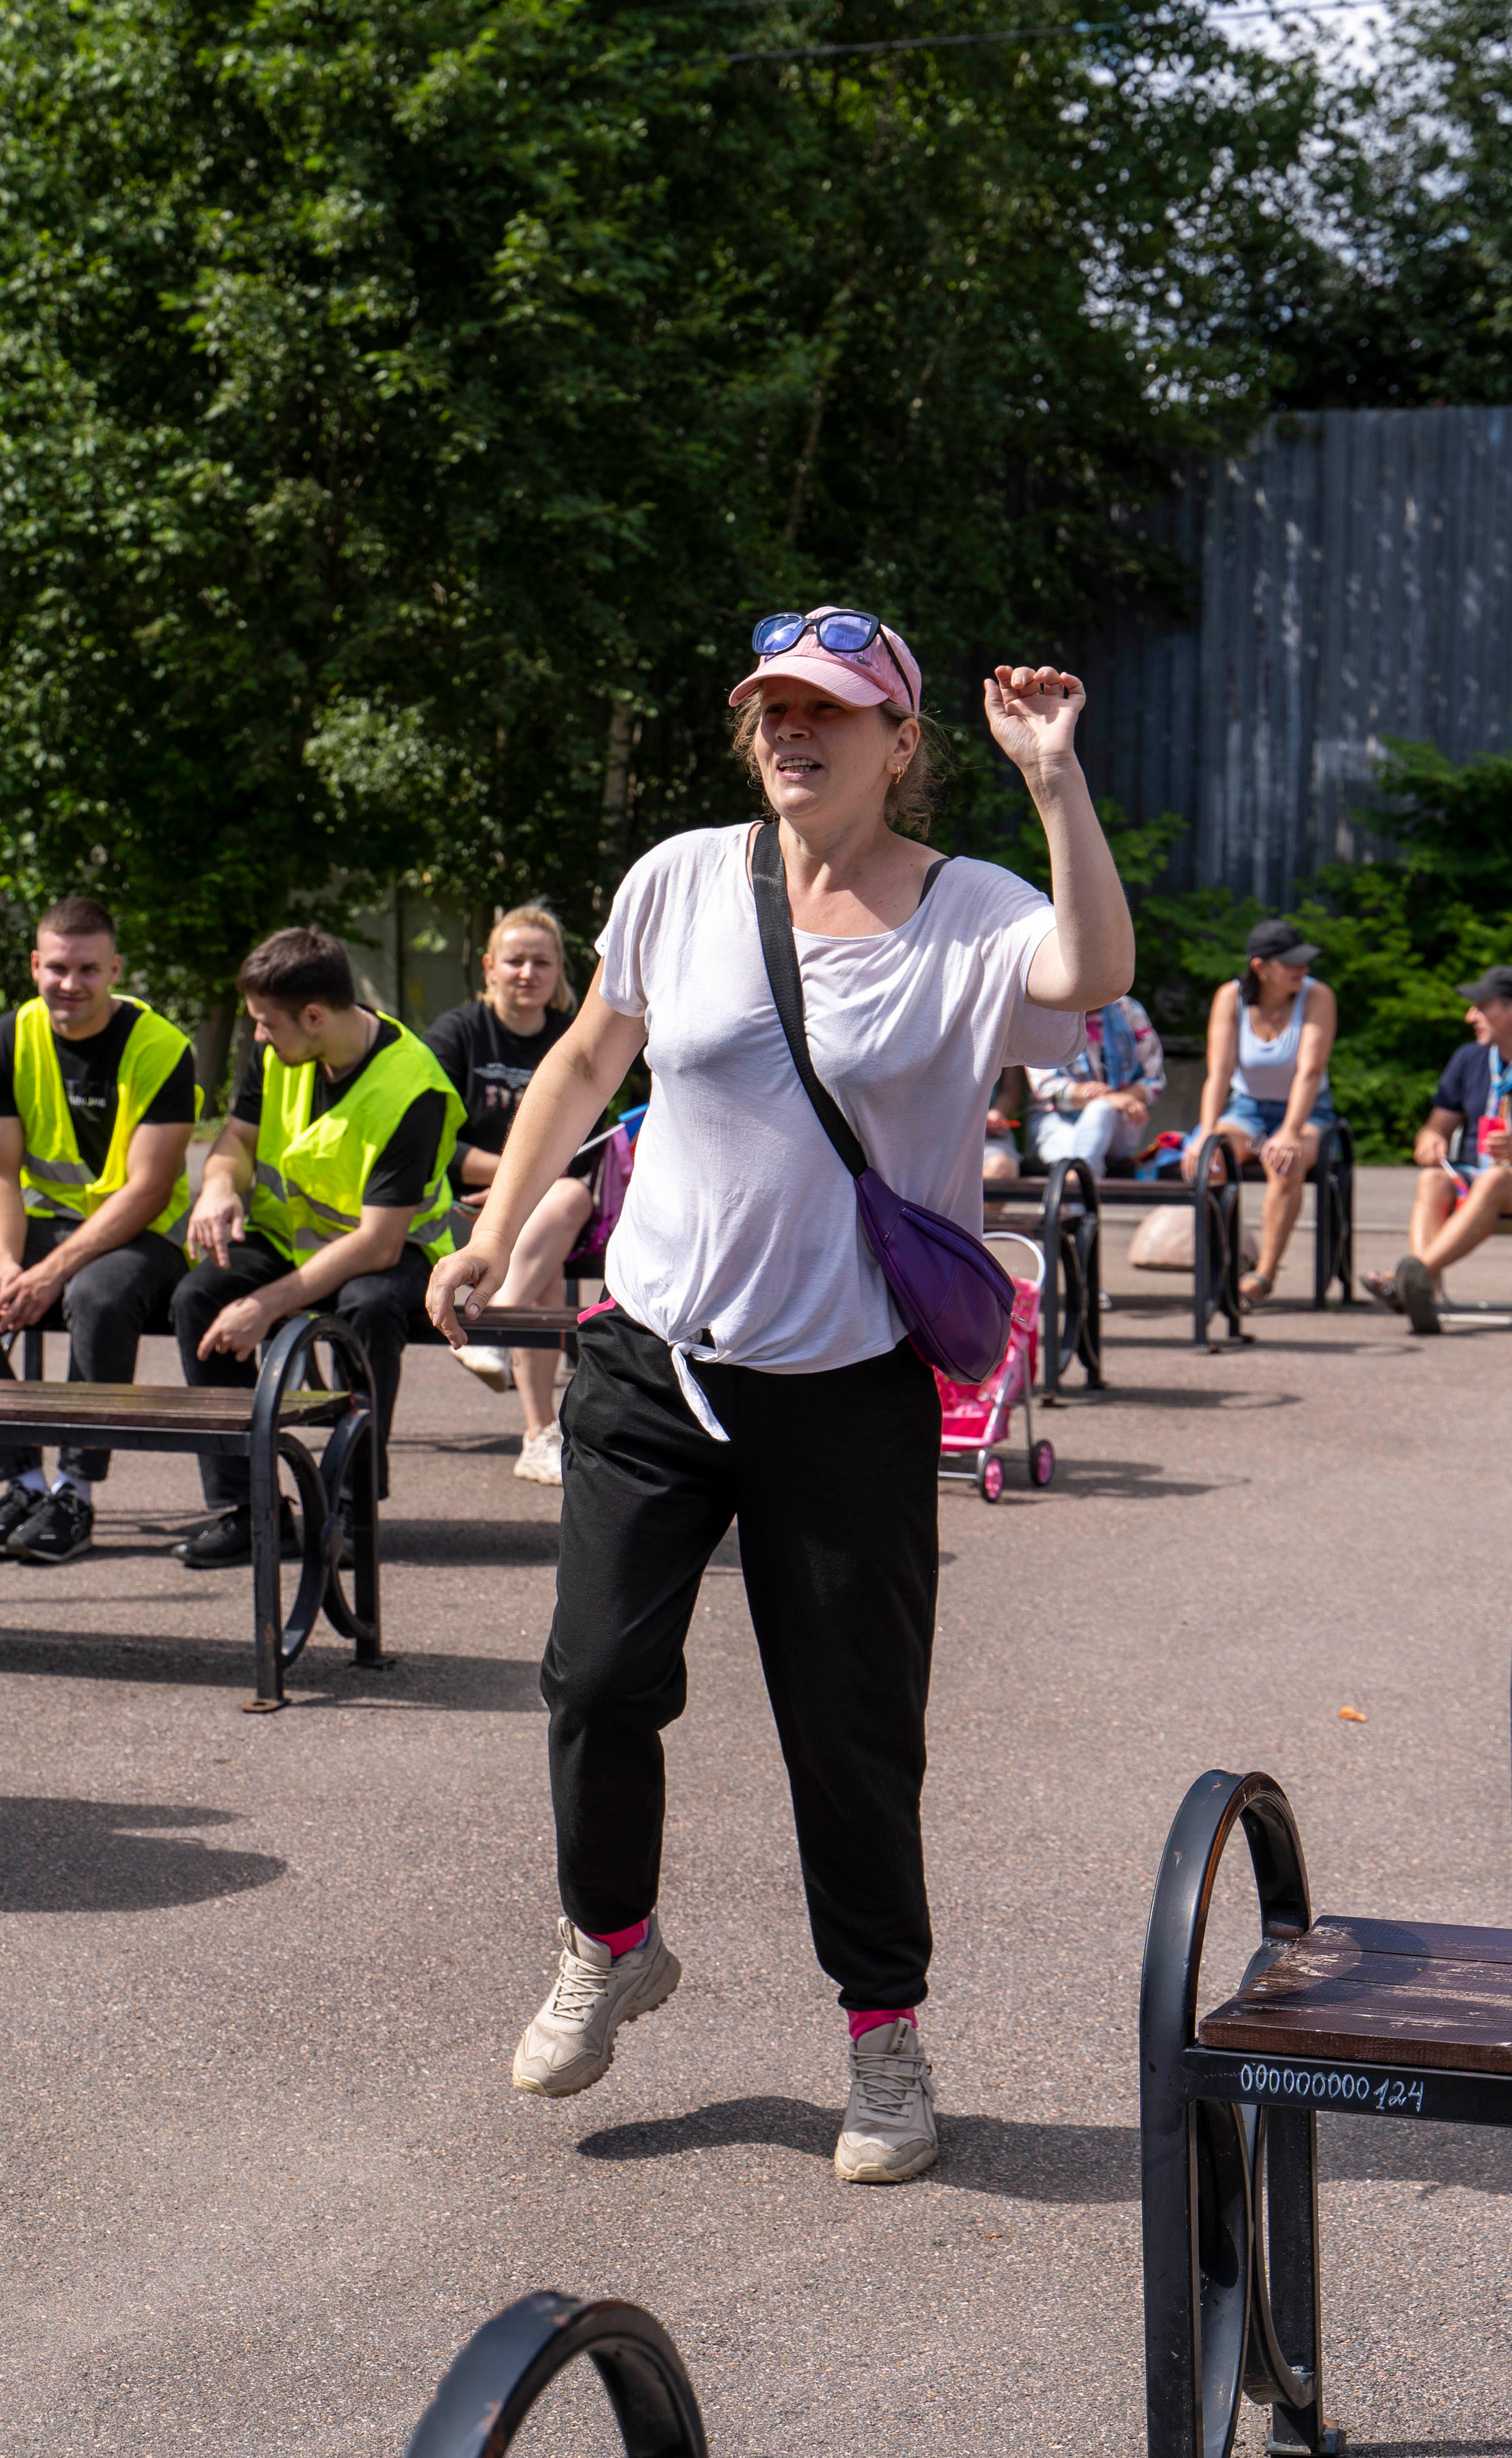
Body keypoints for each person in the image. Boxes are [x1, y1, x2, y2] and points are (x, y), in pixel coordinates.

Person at [427, 607, 1131, 2185]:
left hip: (843, 1388)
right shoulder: (681, 877)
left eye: (827, 710)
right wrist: (489, 1231)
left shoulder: (968, 910)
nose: (790, 732)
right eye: (769, 711)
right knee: (596, 1677)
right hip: (652, 1357)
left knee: (850, 1730)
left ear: (900, 742)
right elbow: (585, 1062)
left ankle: (882, 2037)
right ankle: (610, 1942)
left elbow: (1091, 970)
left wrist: (1054, 780)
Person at [171, 927, 464, 1565]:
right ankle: (251, 1511)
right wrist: (218, 1186)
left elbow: (378, 1244)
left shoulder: (412, 1088)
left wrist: (265, 1306)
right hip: (292, 1240)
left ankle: (352, 1514)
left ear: (313, 1016)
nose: (258, 1036)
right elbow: (238, 1138)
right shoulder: (282, 1051)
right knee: (199, 1298)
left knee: (370, 1308)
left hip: (395, 1251)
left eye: (265, 1023)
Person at [0, 894, 198, 1566]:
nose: (70, 983)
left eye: (88, 969)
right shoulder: (4, 1040)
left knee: (97, 1297)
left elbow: (149, 1188)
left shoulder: (162, 1047)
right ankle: (20, 1484)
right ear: (34, 966)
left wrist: (52, 1271)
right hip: (42, 1222)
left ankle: (75, 1493)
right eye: (57, 968)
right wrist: (8, 1264)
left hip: (142, 1233)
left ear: (115, 970)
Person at [424, 903, 599, 1487]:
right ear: (489, 967)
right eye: (515, 960)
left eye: (541, 962)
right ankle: (538, 1431)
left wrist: (522, 1192)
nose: (528, 972)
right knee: (553, 1240)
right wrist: (512, 1181)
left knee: (567, 1201)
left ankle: (494, 1339)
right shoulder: (457, 1034)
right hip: (460, 1211)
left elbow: (588, 1144)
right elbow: (431, 1141)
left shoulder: (574, 1038)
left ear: (559, 971)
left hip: (541, 1211)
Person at [1180, 918, 1337, 1308]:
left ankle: (1264, 1274)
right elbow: (1219, 1073)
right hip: (1247, 1110)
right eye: (1291, 963)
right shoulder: (1229, 997)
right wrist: (1206, 1132)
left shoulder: (1317, 996)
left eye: (1304, 962)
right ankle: (1226, 1260)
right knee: (1211, 1160)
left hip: (1307, 1112)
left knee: (1285, 1161)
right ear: (1260, 967)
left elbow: (1310, 1071)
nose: (1302, 969)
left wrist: (1290, 1131)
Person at [1363, 967, 1512, 1333]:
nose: (1470, 1016)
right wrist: (1428, 1141)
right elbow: (1436, 1126)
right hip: (1478, 1178)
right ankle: (1422, 1294)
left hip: (1500, 1182)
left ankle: (1409, 1279)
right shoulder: (1469, 1058)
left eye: (1482, 1006)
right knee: (1432, 1179)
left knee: (1494, 1180)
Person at [1024, 995, 1166, 1174]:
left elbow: (1153, 1078)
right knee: (1075, 1159)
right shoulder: (1043, 1012)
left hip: (1119, 1119)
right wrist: (1107, 1097)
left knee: (1100, 1110)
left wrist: (1113, 1100)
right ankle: (1083, 1182)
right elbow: (1046, 1087)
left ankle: (1078, 1183)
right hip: (1056, 1119)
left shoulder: (1127, 1008)